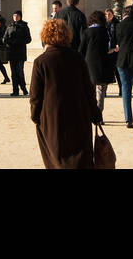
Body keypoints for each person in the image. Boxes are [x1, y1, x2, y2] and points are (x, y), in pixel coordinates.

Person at [29, 18, 103, 169]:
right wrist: (95, 114)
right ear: (67, 35)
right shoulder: (77, 58)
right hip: (78, 113)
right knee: (80, 156)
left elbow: (35, 96)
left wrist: (36, 116)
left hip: (53, 116)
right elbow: (89, 90)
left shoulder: (41, 62)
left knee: (56, 157)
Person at [80, 10, 114, 118]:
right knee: (100, 91)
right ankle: (99, 114)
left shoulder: (86, 32)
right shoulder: (105, 31)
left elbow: (81, 49)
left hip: (89, 64)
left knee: (90, 91)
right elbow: (107, 48)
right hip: (102, 64)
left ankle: (90, 112)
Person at [5, 10, 32, 97]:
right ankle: (15, 90)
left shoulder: (24, 26)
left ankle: (23, 88)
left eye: (17, 16)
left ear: (20, 16)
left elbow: (28, 39)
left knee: (20, 71)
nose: (15, 17)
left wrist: (18, 41)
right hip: (12, 52)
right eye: (14, 16)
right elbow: (4, 38)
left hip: (20, 53)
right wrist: (10, 41)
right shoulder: (10, 26)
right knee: (13, 73)